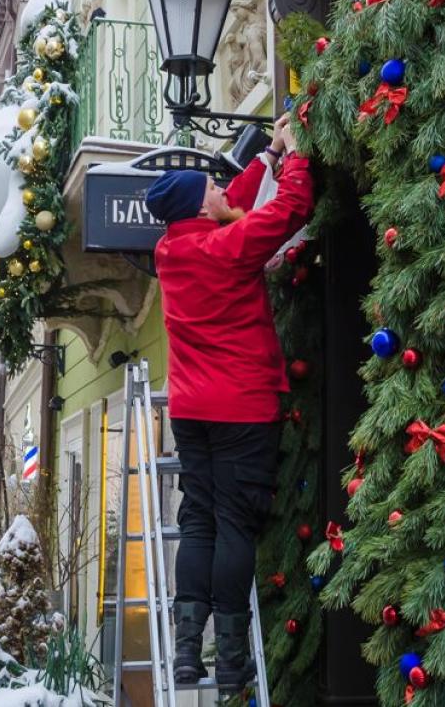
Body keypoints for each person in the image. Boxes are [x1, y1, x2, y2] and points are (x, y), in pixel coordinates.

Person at [144, 113, 313, 696]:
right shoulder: (227, 249)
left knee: (198, 519)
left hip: (192, 411)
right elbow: (290, 209)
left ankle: (188, 653)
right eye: (213, 187)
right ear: (197, 207)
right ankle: (235, 661)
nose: (224, 188)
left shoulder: (174, 249)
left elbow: (230, 203)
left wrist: (263, 157)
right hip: (241, 407)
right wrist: (293, 156)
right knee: (235, 526)